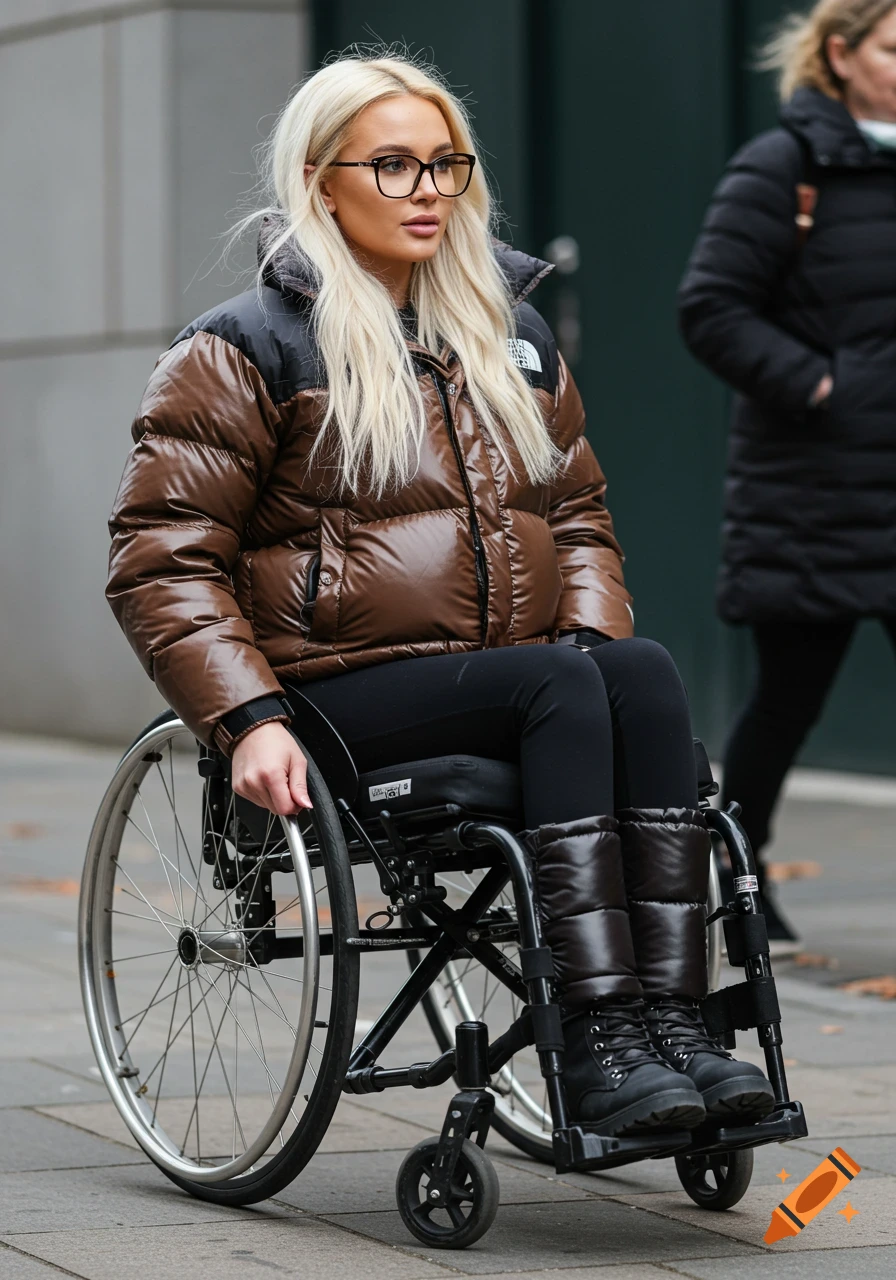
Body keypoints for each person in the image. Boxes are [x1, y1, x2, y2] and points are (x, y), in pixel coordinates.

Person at [106, 53, 773, 1135]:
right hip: (329, 691)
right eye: (394, 165)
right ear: (321, 180)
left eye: (445, 165)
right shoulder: (245, 347)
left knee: (635, 668)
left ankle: (673, 1022)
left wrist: (595, 648)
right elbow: (160, 554)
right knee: (561, 684)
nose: (427, 190)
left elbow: (577, 518)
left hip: (515, 679)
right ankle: (600, 1036)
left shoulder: (507, 338)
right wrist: (243, 716)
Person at [678, 0, 896, 954]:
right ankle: (735, 867)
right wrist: (823, 386)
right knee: (789, 697)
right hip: (818, 490)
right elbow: (711, 306)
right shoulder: (785, 167)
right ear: (842, 54)